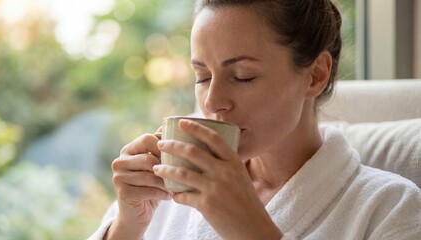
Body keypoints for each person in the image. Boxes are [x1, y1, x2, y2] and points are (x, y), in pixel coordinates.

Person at [89, 0, 421, 239]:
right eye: (203, 77)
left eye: (243, 76)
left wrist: (250, 230)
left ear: (315, 75)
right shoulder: (172, 188)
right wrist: (127, 227)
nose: (213, 102)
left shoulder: (388, 209)